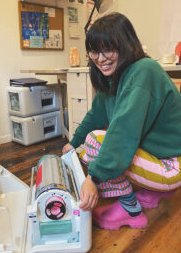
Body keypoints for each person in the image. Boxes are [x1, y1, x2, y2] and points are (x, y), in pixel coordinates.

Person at [62, 12, 181, 230]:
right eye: (94, 51)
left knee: (95, 143)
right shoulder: (113, 77)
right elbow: (96, 115)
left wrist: (94, 179)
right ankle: (150, 191)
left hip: (172, 163)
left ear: (125, 45)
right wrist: (72, 143)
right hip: (157, 154)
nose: (100, 58)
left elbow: (123, 131)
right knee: (84, 151)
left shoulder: (144, 70)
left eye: (107, 49)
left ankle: (131, 209)